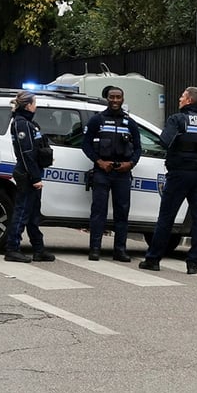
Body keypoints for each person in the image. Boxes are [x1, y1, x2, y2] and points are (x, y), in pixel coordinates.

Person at [139, 87, 197, 274]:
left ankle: (153, 259)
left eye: (182, 96)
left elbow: (164, 142)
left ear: (188, 100)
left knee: (166, 217)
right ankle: (194, 263)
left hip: (179, 174)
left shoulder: (177, 119)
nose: (179, 99)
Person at [82, 86, 141, 262]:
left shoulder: (129, 122)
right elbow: (85, 145)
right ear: (107, 99)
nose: (115, 100)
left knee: (122, 213)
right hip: (102, 172)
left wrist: (130, 164)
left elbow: (138, 148)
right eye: (112, 97)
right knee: (98, 212)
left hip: (122, 173)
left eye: (118, 97)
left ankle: (120, 250)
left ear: (123, 99)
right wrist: (99, 162)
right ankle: (95, 249)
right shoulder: (97, 120)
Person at [3, 90, 55, 263]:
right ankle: (12, 248)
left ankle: (38, 249)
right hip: (27, 173)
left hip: (33, 172)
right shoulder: (21, 124)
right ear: (28, 105)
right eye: (35, 102)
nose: (36, 106)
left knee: (33, 214)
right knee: (22, 212)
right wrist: (35, 178)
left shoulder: (28, 123)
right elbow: (26, 154)